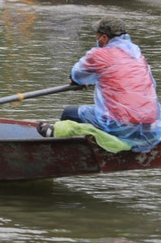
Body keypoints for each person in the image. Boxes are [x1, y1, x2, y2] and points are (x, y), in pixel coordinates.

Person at [37, 18, 161, 152]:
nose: (96, 39)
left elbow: (77, 76)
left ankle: (66, 154)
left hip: (120, 124)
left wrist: (76, 82)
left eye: (97, 35)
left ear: (104, 38)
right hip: (151, 125)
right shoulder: (137, 56)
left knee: (69, 113)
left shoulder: (99, 55)